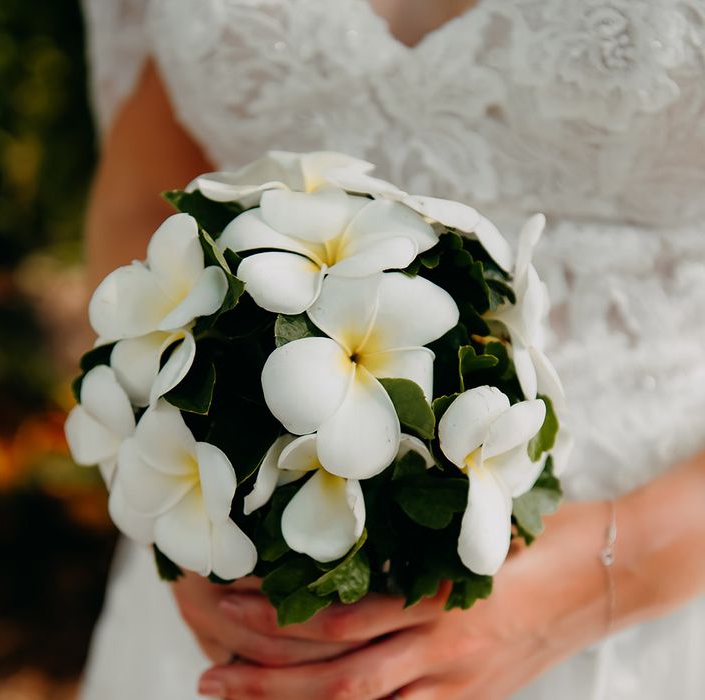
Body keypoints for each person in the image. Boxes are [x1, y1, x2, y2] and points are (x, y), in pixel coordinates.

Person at [78, 1, 705, 698]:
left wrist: (594, 580)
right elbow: (147, 201)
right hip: (235, 589)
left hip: (651, 583)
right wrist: (176, 510)